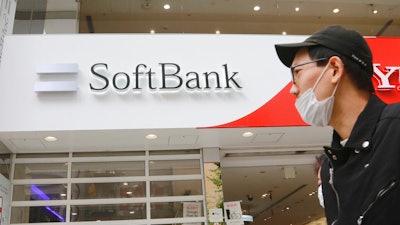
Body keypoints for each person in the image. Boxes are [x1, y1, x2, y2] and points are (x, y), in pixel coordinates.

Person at [274, 25, 400, 225]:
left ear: (334, 69)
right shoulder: (330, 168)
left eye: (297, 73)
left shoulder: (395, 130)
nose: (293, 89)